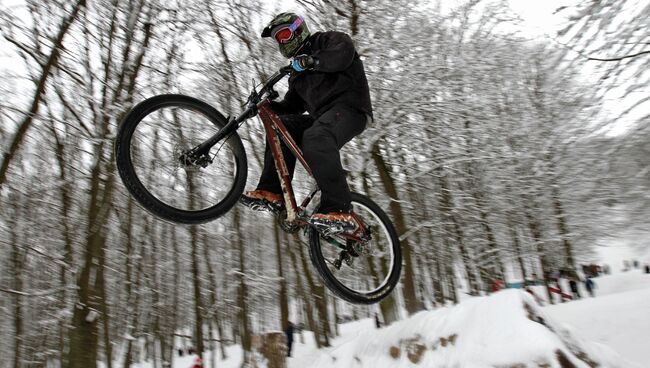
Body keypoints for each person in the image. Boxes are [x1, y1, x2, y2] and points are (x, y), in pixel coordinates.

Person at [239, 12, 373, 231]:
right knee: (283, 126)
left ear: (298, 30)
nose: (282, 42)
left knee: (316, 136)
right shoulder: (297, 73)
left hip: (351, 108)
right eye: (278, 39)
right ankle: (272, 191)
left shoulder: (328, 41)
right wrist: (265, 106)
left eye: (283, 35)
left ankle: (339, 209)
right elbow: (293, 106)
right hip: (323, 118)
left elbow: (343, 54)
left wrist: (313, 60)